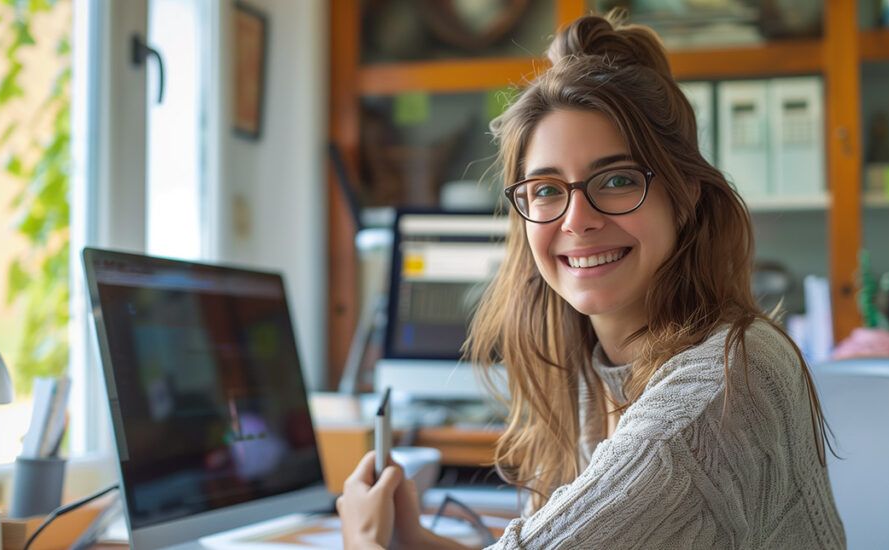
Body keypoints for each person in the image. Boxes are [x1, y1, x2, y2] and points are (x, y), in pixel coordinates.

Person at [337, 12, 846, 549]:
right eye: (547, 189)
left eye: (618, 179)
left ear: (685, 195)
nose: (577, 219)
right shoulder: (600, 361)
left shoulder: (707, 399)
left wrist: (365, 543)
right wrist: (412, 539)